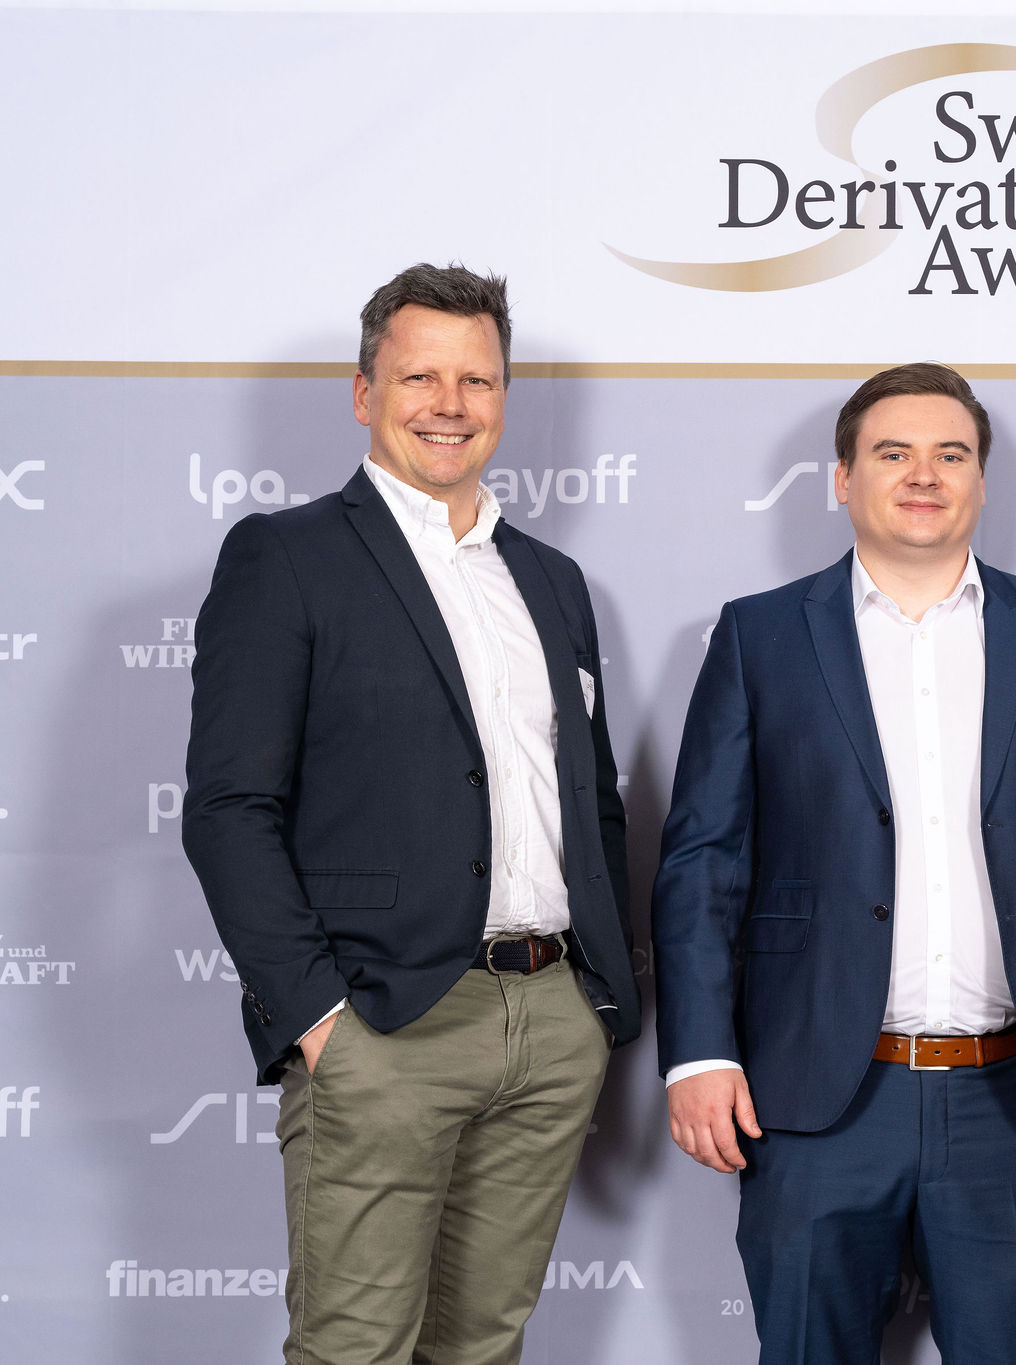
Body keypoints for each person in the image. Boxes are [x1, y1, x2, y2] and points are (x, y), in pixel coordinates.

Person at [652, 362, 1016, 1365]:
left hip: (1011, 1097)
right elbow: (703, 860)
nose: (923, 474)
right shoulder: (760, 634)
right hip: (816, 1098)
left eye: (950, 454)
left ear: (982, 480)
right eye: (893, 453)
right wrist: (701, 1052)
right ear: (842, 478)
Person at [182, 263, 639, 1363]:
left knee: (482, 1346)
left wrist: (598, 998)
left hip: (551, 1023)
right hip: (385, 1022)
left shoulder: (553, 579)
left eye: (476, 380)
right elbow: (229, 806)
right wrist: (316, 1016)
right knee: (355, 1349)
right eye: (419, 377)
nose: (450, 404)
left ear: (503, 399)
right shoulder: (287, 557)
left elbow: (591, 797)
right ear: (363, 393)